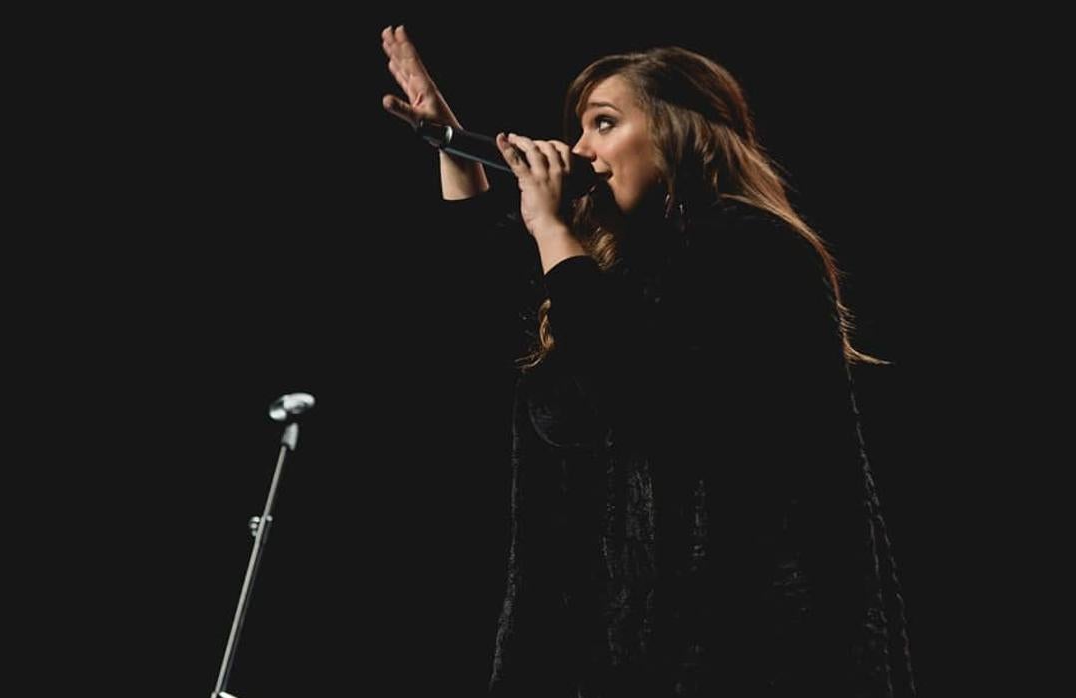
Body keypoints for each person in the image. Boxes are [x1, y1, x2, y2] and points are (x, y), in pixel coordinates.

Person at [381, 25, 915, 697]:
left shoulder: (756, 249)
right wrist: (450, 143)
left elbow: (628, 385)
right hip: (602, 646)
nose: (580, 150)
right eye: (579, 129)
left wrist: (552, 229)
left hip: (743, 647)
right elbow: (474, 287)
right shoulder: (606, 265)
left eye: (603, 123)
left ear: (678, 131)